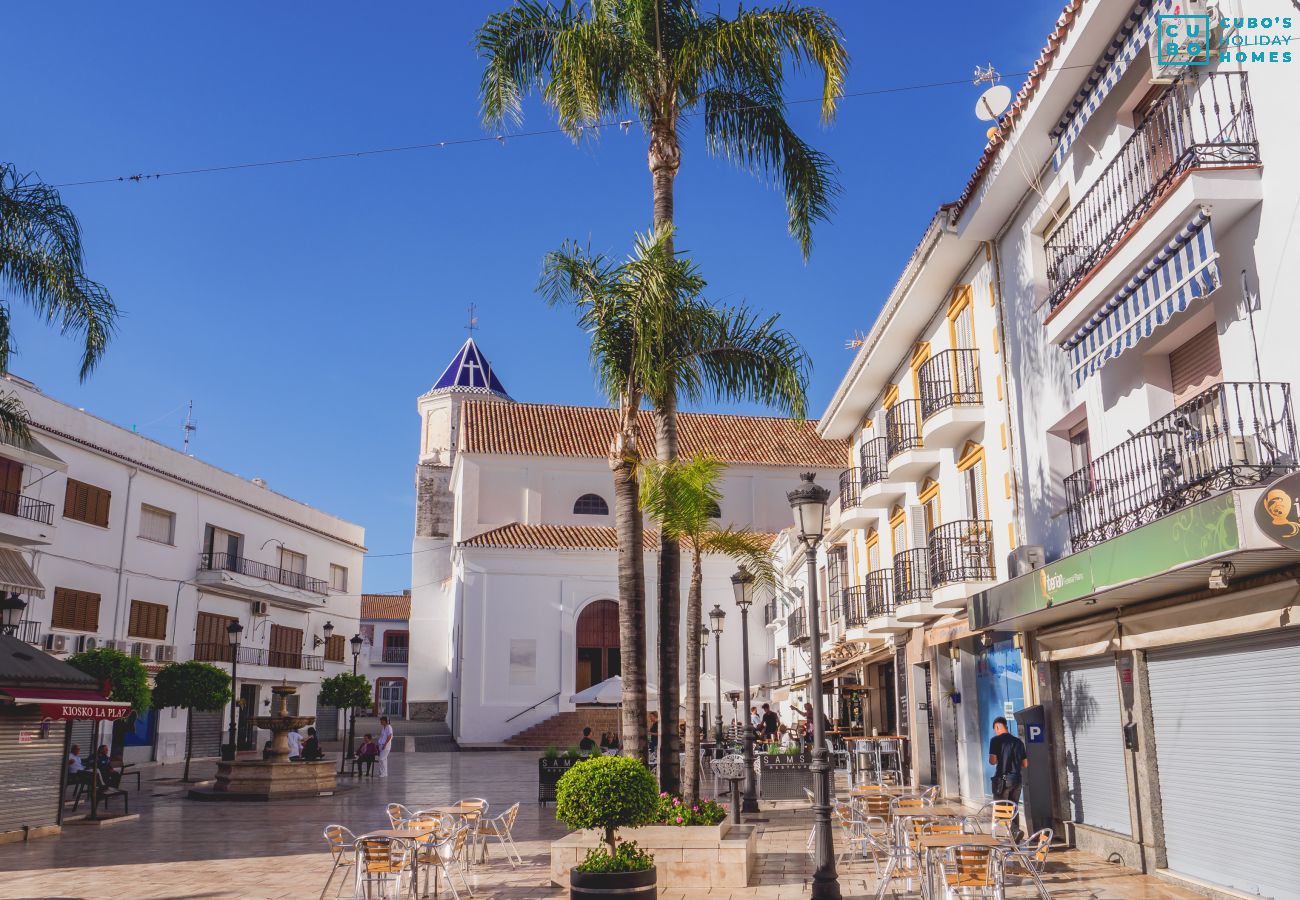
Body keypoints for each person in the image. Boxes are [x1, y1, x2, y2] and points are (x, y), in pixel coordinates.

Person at [988, 716, 1028, 839]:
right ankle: (1014, 833)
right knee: (1014, 806)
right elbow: (1025, 764)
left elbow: (992, 761)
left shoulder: (995, 740)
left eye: (995, 729)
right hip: (1017, 779)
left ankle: (1011, 831)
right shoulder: (1018, 742)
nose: (996, 731)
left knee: (1001, 809)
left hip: (1003, 781)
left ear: (997, 727)